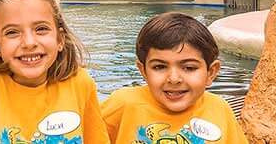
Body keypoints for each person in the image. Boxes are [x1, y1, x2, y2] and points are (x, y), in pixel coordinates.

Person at [0, 0, 109, 143]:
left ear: (60, 39)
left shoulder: (80, 83)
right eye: (12, 32)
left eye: (41, 29)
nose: (29, 42)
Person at [101, 12, 248, 144]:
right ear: (143, 71)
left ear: (211, 72)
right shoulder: (122, 105)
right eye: (159, 67)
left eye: (189, 68)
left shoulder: (219, 109)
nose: (174, 79)